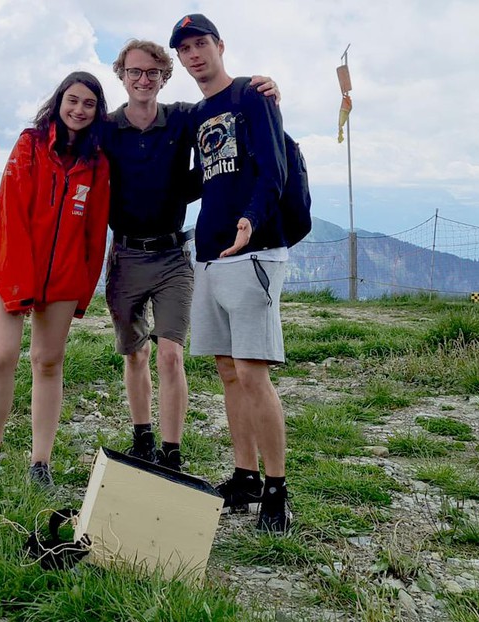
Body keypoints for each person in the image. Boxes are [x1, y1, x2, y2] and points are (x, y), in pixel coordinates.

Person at [104, 40, 278, 472]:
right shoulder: (106, 128)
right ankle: (142, 434)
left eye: (152, 73)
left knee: (170, 353)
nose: (143, 80)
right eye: (134, 72)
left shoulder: (184, 117)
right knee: (134, 353)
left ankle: (171, 451)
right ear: (122, 76)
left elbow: (228, 110)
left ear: (164, 77)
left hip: (172, 255)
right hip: (125, 254)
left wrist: (267, 90)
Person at [0, 71, 111, 491]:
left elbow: (95, 232)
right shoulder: (30, 143)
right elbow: (10, 216)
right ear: (59, 101)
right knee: (1, 355)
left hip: (62, 276)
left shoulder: (97, 163)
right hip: (7, 268)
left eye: (89, 104)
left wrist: (83, 290)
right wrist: (19, 287)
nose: (79, 110)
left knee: (48, 362)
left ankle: (39, 463)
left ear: (97, 112)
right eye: (73, 100)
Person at [170, 14, 292, 532]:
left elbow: (274, 167)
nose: (194, 55)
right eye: (185, 49)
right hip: (210, 253)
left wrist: (251, 220)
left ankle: (277, 490)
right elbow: (201, 178)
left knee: (252, 372)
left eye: (201, 44)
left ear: (220, 45)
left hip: (254, 250)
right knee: (226, 370)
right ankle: (244, 477)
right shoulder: (198, 112)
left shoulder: (252, 95)